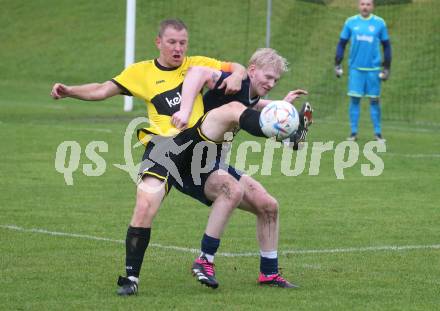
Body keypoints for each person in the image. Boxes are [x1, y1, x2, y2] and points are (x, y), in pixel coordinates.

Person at [50, 18, 248, 296]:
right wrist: (70, 91)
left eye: (182, 43)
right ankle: (131, 279)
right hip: (163, 147)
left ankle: (209, 260)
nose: (178, 48)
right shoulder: (140, 72)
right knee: (145, 205)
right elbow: (102, 89)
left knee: (235, 190)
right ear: (158, 42)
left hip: (198, 148)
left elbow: (235, 67)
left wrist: (238, 75)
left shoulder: (197, 64)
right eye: (172, 42)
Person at [170, 48, 313, 289]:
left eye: (276, 80)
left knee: (269, 206)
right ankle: (204, 261)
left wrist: (281, 106)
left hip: (211, 162)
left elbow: (255, 105)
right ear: (253, 71)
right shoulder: (234, 82)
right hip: (187, 160)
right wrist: (184, 111)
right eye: (268, 77)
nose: (271, 83)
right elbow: (197, 72)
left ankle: (269, 273)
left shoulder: (252, 94)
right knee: (232, 190)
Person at [334, 0, 392, 142]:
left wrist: (386, 67)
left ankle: (378, 133)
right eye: (362, 4)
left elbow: (387, 46)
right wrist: (337, 63)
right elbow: (342, 43)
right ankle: (353, 133)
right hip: (356, 69)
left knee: (374, 101)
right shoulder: (350, 22)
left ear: (373, 6)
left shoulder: (380, 23)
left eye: (368, 4)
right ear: (358, 5)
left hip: (373, 70)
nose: (365, 7)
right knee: (354, 100)